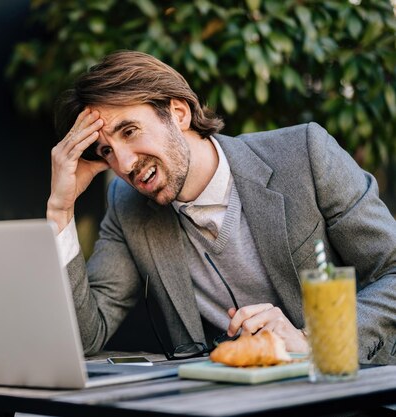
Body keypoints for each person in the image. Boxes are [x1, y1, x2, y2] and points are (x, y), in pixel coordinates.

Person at [47, 50, 396, 364]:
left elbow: (392, 272)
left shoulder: (305, 155)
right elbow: (85, 337)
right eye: (105, 150)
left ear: (179, 113)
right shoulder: (127, 207)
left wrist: (312, 341)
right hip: (224, 402)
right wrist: (61, 211)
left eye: (130, 131)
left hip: (347, 389)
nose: (123, 164)